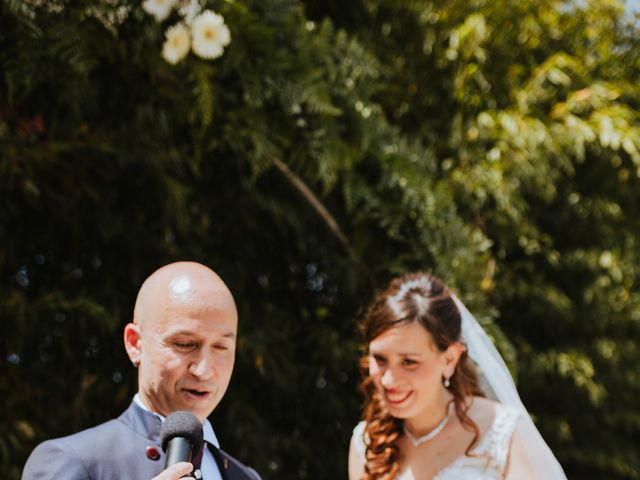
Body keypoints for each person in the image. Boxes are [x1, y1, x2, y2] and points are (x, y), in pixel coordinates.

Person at [22, 261, 261, 480]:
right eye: (185, 344)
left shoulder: (247, 477)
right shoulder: (74, 460)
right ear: (135, 344)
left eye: (221, 347)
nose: (204, 370)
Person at [348, 272, 567, 480]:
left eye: (409, 362)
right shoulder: (365, 442)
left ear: (450, 359)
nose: (388, 380)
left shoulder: (501, 430)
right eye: (380, 359)